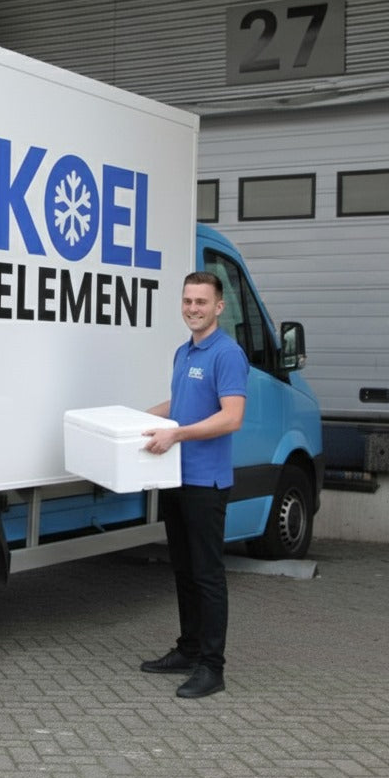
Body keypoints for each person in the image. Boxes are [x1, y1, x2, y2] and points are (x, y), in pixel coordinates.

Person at [140, 270, 248, 699]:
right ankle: (188, 650)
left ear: (219, 306)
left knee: (207, 575)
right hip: (176, 477)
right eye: (187, 301)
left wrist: (177, 434)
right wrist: (138, 418)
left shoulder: (227, 354)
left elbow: (231, 417)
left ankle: (212, 667)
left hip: (207, 482)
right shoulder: (183, 352)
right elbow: (181, 403)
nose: (192, 308)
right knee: (184, 570)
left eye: (201, 302)